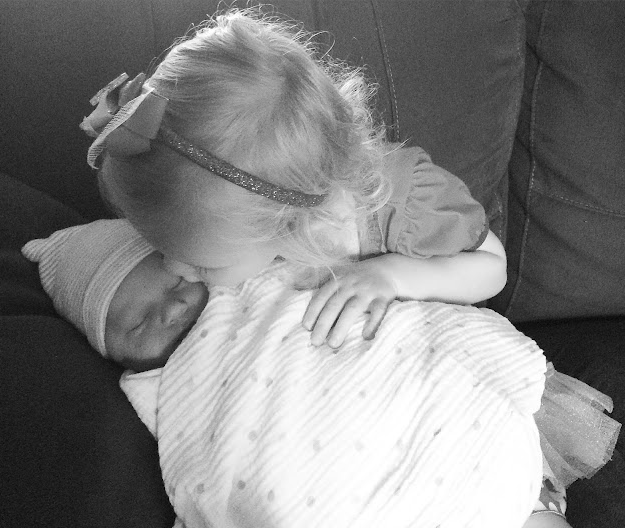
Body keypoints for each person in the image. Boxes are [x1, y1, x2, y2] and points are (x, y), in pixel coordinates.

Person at [23, 219, 625, 528]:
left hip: (414, 403)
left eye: (175, 282)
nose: (173, 307)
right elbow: (199, 463)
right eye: (138, 323)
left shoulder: (262, 271)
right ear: (115, 357)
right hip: (302, 487)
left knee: (513, 502)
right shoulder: (155, 386)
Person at [79, 7, 508, 352]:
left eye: (203, 265)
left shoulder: (407, 203)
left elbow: (492, 268)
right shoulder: (231, 208)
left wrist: (392, 275)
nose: (173, 269)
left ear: (291, 223)